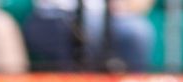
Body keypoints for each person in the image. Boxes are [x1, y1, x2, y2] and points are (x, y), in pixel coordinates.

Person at [22, 0, 156, 72]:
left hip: (111, 17)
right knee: (76, 29)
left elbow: (139, 4)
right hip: (55, 16)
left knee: (136, 30)